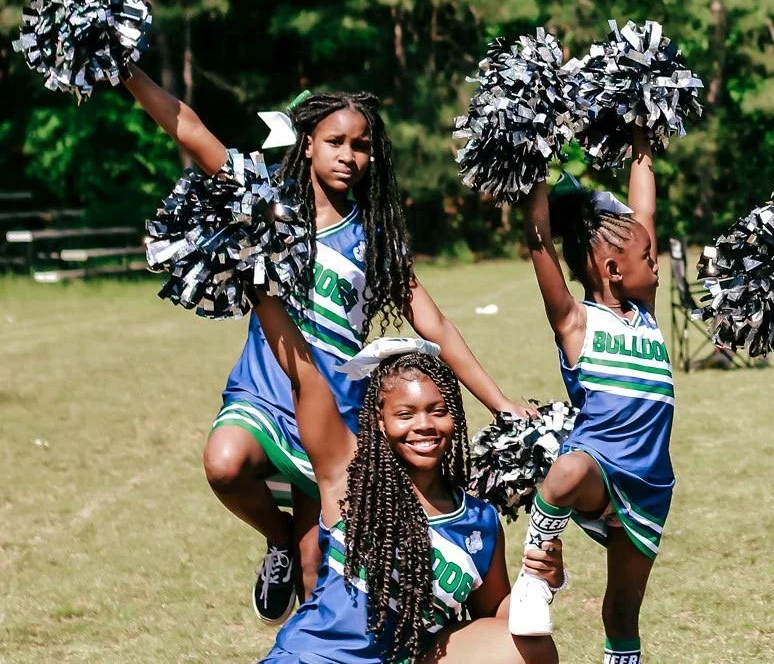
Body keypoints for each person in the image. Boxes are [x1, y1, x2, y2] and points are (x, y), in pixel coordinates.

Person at [120, 72, 523, 621]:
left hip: (336, 415)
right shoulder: (266, 205)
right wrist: (127, 73)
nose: (348, 156)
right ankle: (278, 539)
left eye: (361, 146)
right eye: (335, 142)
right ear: (307, 143)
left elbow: (438, 326)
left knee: (320, 576)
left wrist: (499, 404)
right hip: (264, 390)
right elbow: (190, 127)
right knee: (224, 464)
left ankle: (305, 594)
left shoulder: (375, 235)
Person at [249, 293, 562, 663]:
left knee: (533, 650)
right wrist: (257, 283)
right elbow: (304, 375)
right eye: (405, 414)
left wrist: (542, 581)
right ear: (379, 421)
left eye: (438, 411)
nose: (424, 425)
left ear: (456, 418)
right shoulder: (348, 477)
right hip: (313, 657)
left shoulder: (479, 520)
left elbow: (497, 622)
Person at [505, 138, 670, 664]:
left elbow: (642, 209)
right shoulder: (576, 323)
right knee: (568, 469)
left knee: (623, 610)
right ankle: (536, 569)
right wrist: (533, 171)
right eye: (648, 257)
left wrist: (643, 137)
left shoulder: (645, 312)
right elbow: (539, 246)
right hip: (598, 467)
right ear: (613, 270)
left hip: (651, 482)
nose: (657, 263)